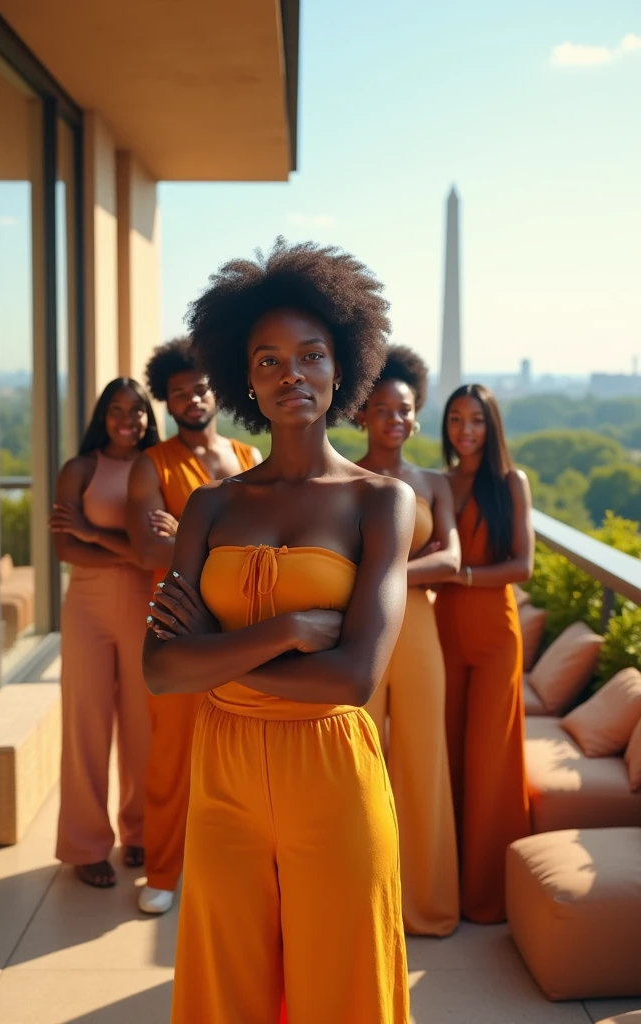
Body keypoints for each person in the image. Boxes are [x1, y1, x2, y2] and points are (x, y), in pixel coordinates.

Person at [143, 239, 413, 1023]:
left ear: (342, 369)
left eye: (310, 354)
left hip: (331, 773)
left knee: (344, 988)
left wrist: (211, 656)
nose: (290, 373)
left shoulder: (380, 503)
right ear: (245, 381)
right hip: (222, 770)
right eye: (267, 361)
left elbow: (354, 679)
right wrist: (288, 626)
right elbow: (160, 671)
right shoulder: (212, 506)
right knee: (226, 992)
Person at [126, 337, 261, 915]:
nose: (192, 397)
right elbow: (147, 548)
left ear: (217, 390)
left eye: (200, 387)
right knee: (173, 755)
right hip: (178, 624)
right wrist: (218, 541)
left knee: (245, 751)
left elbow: (270, 539)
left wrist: (184, 530)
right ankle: (162, 870)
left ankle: (237, 867)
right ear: (167, 401)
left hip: (242, 624)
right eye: (179, 392)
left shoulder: (249, 458)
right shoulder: (150, 466)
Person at [355, 344, 460, 937]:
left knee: (423, 763)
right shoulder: (343, 478)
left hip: (418, 631)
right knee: (356, 761)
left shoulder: (434, 483)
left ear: (416, 414)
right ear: (361, 413)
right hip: (363, 632)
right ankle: (359, 897)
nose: (395, 419)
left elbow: (451, 559)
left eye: (404, 409)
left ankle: (426, 904)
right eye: (382, 409)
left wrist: (384, 573)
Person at [50, 378, 159, 888]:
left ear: (147, 417)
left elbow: (150, 552)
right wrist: (124, 547)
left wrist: (95, 532)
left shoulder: (156, 465)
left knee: (143, 726)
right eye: (117, 409)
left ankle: (139, 832)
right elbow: (65, 550)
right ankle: (84, 845)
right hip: (88, 606)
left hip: (146, 605)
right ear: (102, 415)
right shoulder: (79, 469)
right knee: (86, 724)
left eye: (137, 411)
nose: (127, 419)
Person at [434, 383, 533, 924]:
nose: (464, 430)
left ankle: (489, 895)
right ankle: (449, 883)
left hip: (496, 634)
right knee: (447, 753)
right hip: (445, 629)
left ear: (491, 427)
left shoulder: (509, 482)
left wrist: (461, 574)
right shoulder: (441, 483)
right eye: (455, 419)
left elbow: (523, 566)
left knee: (490, 759)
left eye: (475, 420)